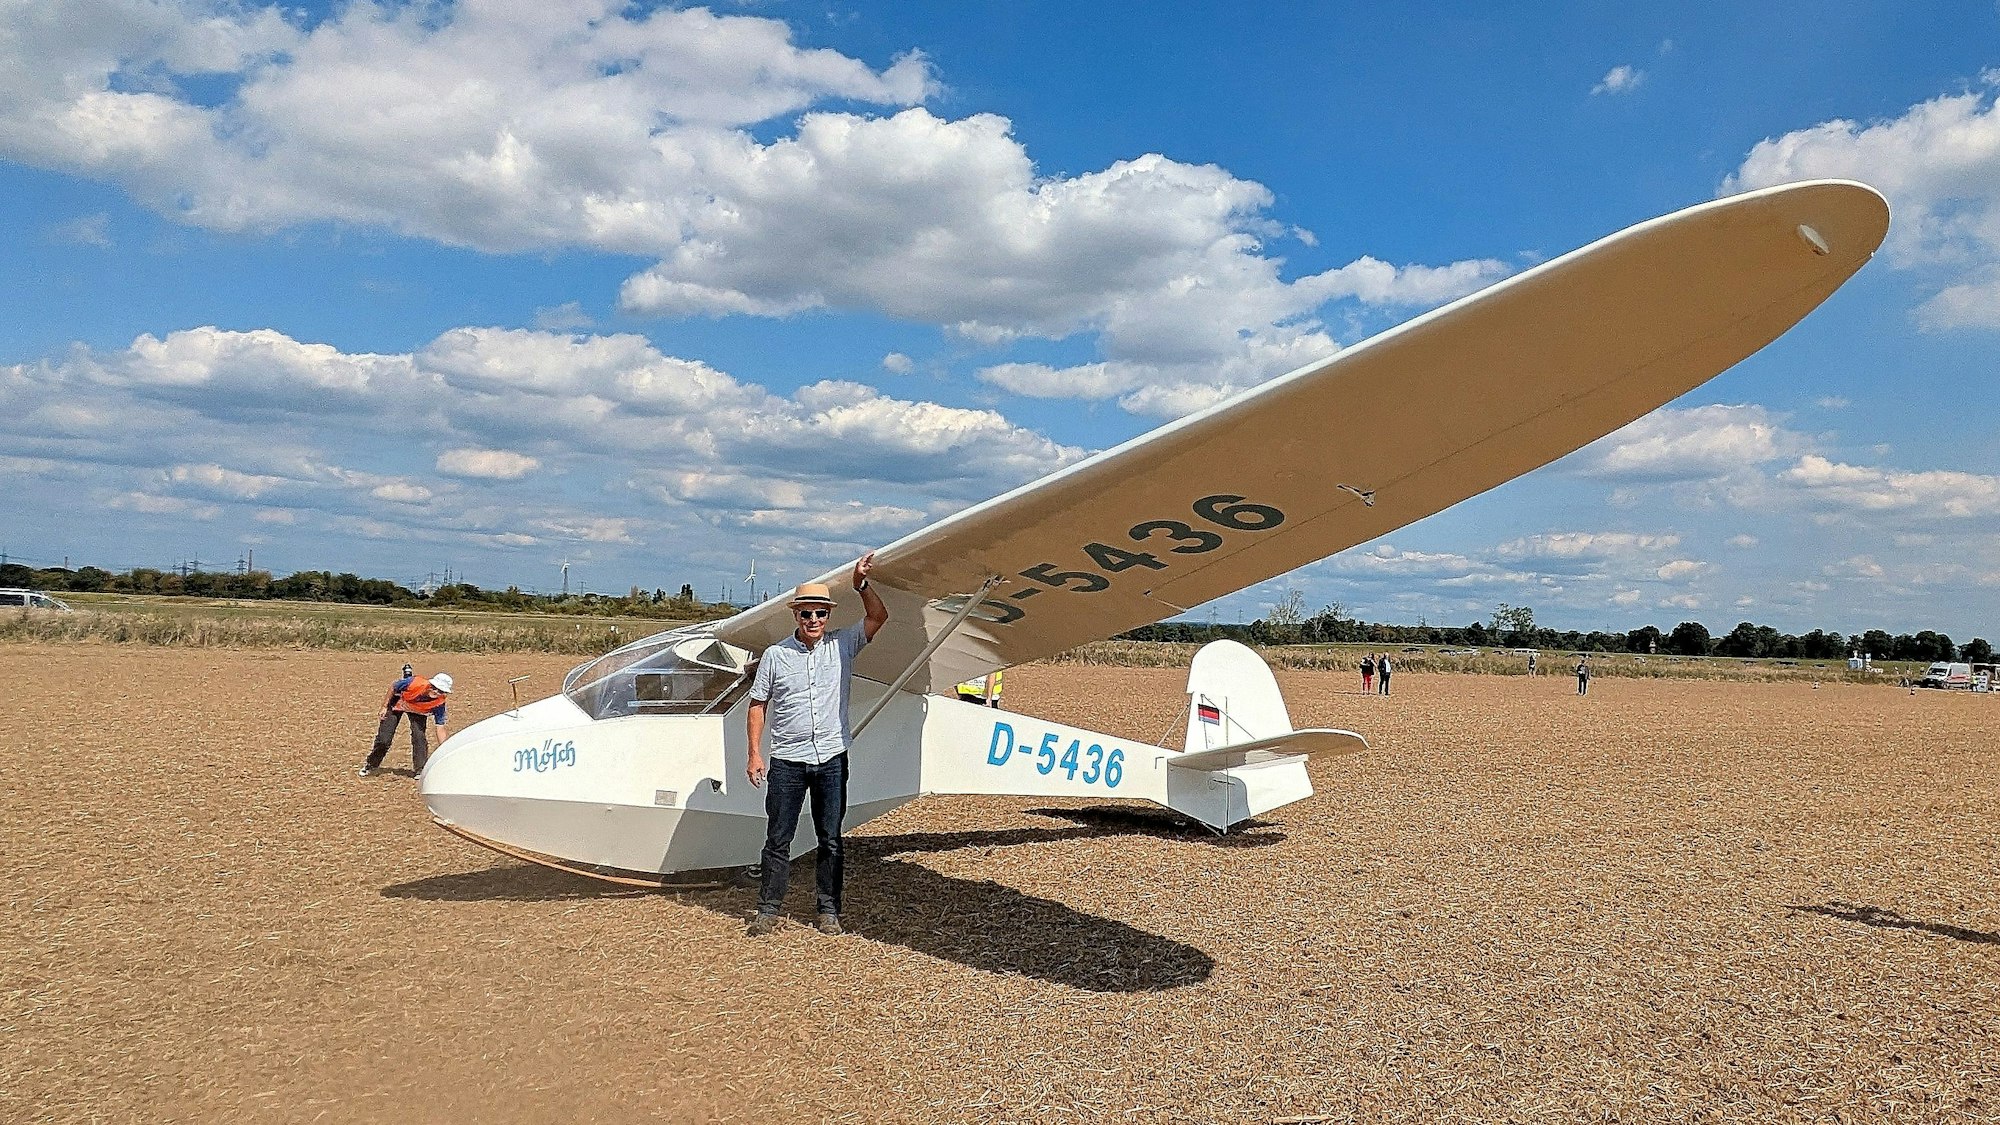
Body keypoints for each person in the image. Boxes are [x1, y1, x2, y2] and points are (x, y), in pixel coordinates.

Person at [744, 553, 888, 937]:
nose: (813, 621)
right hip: (788, 762)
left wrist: (862, 585)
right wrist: (755, 753)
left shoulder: (843, 645)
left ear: (828, 617)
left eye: (820, 614)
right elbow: (758, 704)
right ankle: (769, 909)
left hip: (830, 760)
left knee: (831, 839)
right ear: (795, 616)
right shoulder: (775, 655)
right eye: (806, 613)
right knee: (778, 838)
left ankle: (828, 911)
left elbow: (878, 617)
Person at [360, 666, 453, 776]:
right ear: (429, 684)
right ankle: (371, 765)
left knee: (419, 737)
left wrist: (446, 748)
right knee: (384, 740)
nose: (436, 692)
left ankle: (420, 770)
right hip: (398, 703)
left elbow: (440, 727)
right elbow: (394, 687)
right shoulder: (414, 683)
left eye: (440, 691)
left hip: (418, 710)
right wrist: (384, 706)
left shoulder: (439, 703)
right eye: (434, 687)